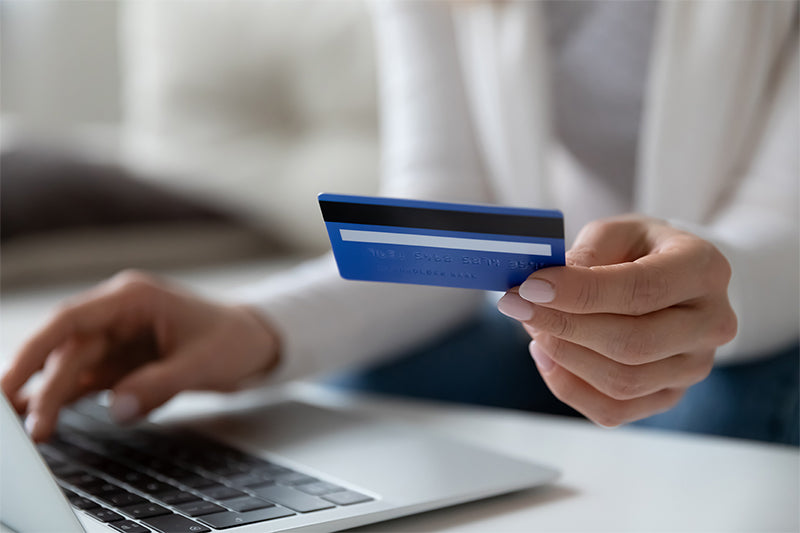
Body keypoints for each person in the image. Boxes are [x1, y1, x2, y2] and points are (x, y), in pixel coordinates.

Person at [2, 1, 798, 445]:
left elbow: (781, 222)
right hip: (561, 303)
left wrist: (697, 300)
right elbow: (450, 214)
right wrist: (251, 327)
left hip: (761, 305)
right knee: (358, 389)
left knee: (719, 411)